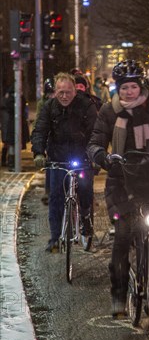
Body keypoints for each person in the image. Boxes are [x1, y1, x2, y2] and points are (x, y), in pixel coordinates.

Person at [87, 60, 149, 318]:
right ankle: (119, 296)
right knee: (122, 236)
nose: (129, 92)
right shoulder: (109, 112)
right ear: (118, 89)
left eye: (133, 87)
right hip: (120, 179)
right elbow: (96, 140)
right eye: (124, 88)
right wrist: (101, 155)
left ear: (141, 86)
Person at [31, 72, 98, 252]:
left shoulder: (86, 106)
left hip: (82, 157)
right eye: (60, 92)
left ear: (75, 91)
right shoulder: (49, 107)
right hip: (57, 159)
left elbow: (96, 132)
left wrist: (95, 155)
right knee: (56, 197)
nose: (64, 96)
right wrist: (38, 153)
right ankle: (54, 238)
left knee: (85, 189)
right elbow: (40, 130)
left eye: (68, 92)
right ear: (55, 90)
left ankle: (85, 217)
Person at [35, 78, 55, 204]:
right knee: (50, 165)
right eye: (50, 93)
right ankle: (48, 191)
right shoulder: (43, 104)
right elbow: (39, 123)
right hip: (49, 137)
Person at [0, 86, 30, 170]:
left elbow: (22, 106)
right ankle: (11, 164)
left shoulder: (11, 100)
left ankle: (14, 164)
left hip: (14, 126)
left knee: (14, 145)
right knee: (12, 145)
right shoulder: (10, 101)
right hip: (11, 127)